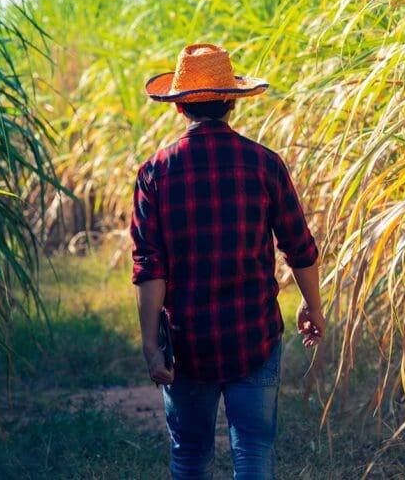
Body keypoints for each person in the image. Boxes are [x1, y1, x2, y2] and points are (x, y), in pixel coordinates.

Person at [131, 43, 325, 479]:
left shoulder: (155, 173)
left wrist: (150, 343)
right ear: (232, 103)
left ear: (180, 108)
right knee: (254, 451)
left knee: (189, 456)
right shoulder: (265, 165)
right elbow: (300, 246)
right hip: (252, 334)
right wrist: (313, 306)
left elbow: (149, 266)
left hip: (187, 342)